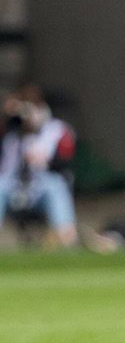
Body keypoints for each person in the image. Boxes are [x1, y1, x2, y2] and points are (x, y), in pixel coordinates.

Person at [0, 86, 77, 248]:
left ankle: (66, 235)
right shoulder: (12, 135)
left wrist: (45, 160)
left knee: (55, 184)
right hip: (14, 188)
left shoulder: (55, 129)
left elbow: (66, 161)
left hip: (41, 187)